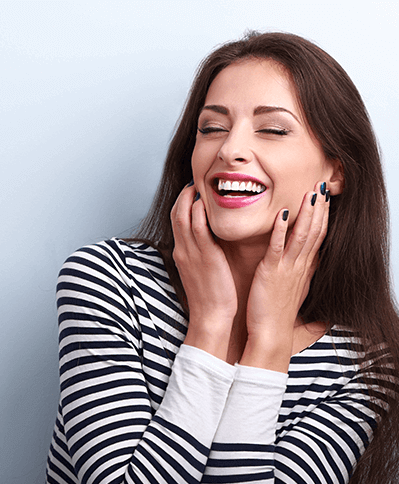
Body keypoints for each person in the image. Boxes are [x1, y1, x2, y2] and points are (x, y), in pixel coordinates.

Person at [46, 31, 399, 484]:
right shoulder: (106, 280)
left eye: (272, 129)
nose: (229, 150)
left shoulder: (364, 363)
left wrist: (268, 341)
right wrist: (211, 323)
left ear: (336, 171)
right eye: (212, 128)